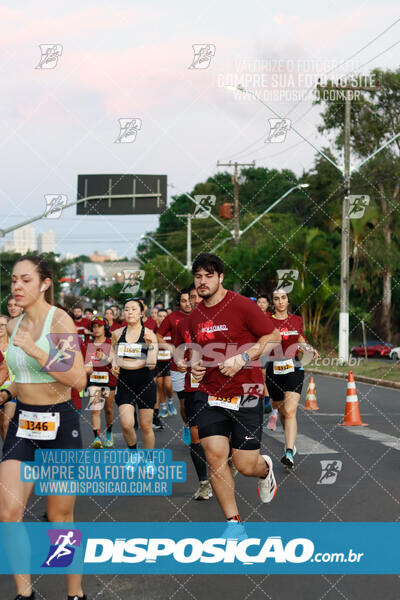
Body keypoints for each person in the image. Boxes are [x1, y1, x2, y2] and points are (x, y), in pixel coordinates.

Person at [0, 254, 87, 600]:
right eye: (14, 281)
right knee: (8, 511)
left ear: (45, 284)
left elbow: (77, 378)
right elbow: (21, 381)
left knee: (59, 516)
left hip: (59, 424)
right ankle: (26, 594)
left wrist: (37, 351)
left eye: (26, 280)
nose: (17, 286)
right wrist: (5, 391)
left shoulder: (59, 321)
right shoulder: (12, 324)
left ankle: (75, 594)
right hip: (23, 422)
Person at [187, 253, 281, 524]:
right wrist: (196, 365)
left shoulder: (242, 306)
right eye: (198, 277)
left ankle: (264, 471)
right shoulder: (195, 317)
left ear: (221, 277)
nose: (202, 282)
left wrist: (243, 358)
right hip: (210, 394)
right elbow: (197, 352)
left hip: (246, 392)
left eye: (208, 276)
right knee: (215, 456)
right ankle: (233, 523)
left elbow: (273, 336)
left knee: (244, 464)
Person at [265, 288, 319, 468]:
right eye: (276, 299)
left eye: (283, 298)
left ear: (288, 300)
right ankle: (291, 443)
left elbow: (300, 339)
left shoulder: (296, 320)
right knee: (282, 412)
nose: (280, 301)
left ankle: (288, 452)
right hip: (274, 369)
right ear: (273, 302)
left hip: (294, 368)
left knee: (290, 411)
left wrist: (309, 348)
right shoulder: (266, 321)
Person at [176, 284, 212, 500]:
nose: (194, 300)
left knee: (220, 436)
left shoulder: (219, 321)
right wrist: (180, 361)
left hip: (219, 387)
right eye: (190, 297)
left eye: (197, 296)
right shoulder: (184, 324)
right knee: (196, 436)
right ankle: (204, 483)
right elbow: (181, 350)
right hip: (194, 387)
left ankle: (226, 463)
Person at [111, 298, 158, 452]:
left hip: (145, 384)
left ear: (141, 313)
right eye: (126, 309)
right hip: (125, 384)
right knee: (126, 424)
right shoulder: (117, 334)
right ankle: (133, 453)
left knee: (145, 426)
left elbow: (151, 364)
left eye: (133, 309)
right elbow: (112, 351)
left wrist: (150, 347)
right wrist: (114, 363)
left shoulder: (149, 334)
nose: (129, 312)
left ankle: (149, 459)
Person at [156, 289, 192, 441]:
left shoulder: (203, 315)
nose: (187, 303)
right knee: (184, 402)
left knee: (199, 399)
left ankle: (200, 429)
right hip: (179, 366)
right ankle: (187, 425)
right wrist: (171, 348)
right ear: (179, 302)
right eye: (183, 301)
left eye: (190, 300)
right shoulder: (172, 318)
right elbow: (158, 336)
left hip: (199, 366)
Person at [84, 316, 116, 449]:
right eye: (94, 326)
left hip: (109, 379)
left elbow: (115, 361)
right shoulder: (88, 345)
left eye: (100, 326)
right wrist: (87, 369)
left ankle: (109, 433)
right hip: (94, 380)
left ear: (105, 328)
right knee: (95, 410)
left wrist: (105, 357)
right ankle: (97, 438)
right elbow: (86, 364)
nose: (96, 329)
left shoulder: (110, 342)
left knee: (108, 409)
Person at [154, 308, 173, 421]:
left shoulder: (171, 330)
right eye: (159, 316)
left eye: (164, 316)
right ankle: (164, 407)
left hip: (170, 361)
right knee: (160, 385)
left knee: (168, 385)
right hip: (158, 362)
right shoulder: (154, 330)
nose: (162, 318)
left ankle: (170, 401)